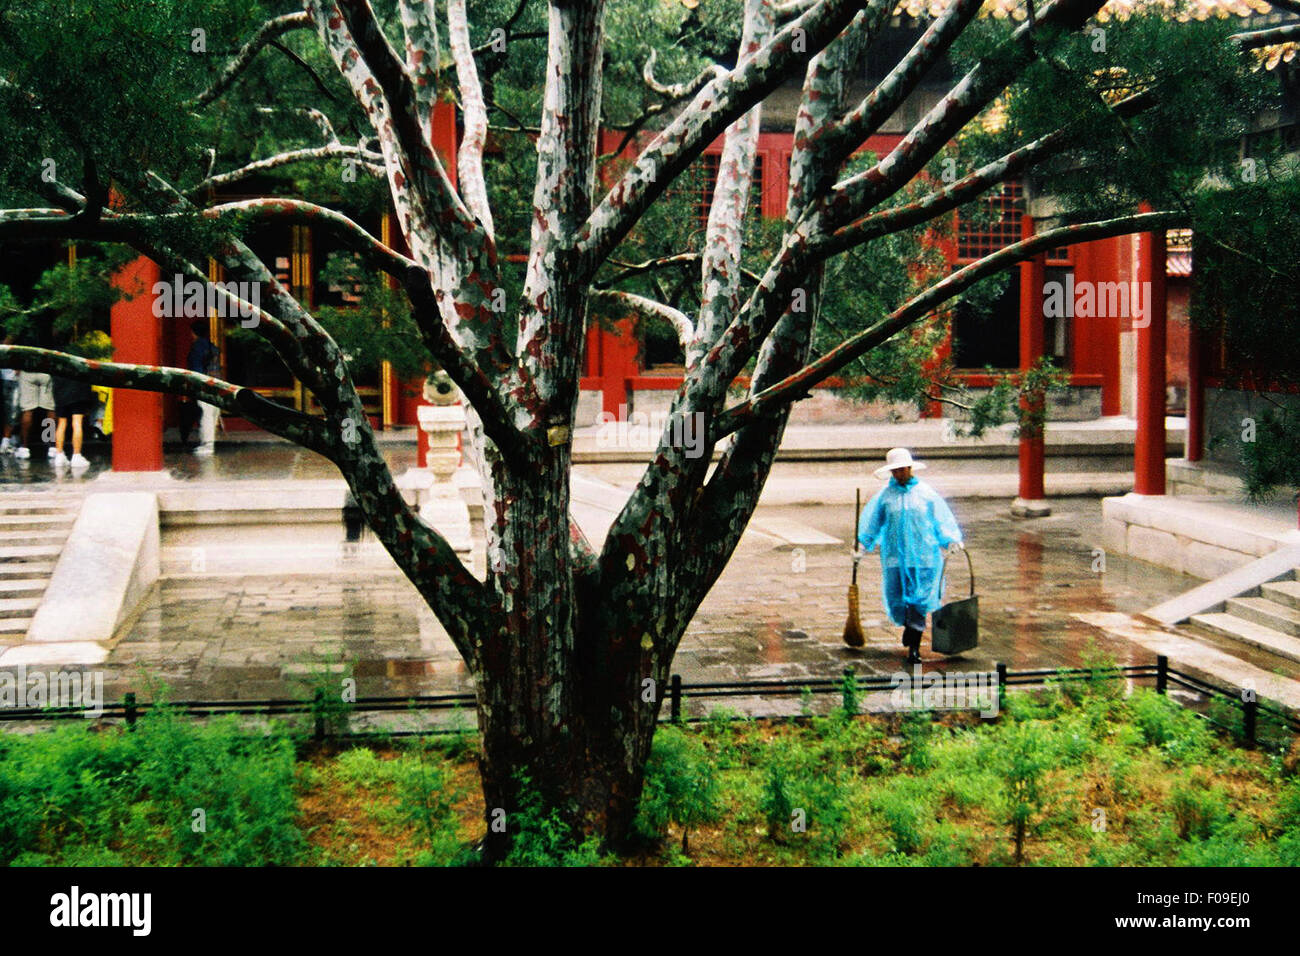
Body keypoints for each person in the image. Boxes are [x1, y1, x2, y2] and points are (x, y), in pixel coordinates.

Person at [857, 447, 964, 664]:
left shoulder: (926, 494)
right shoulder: (885, 497)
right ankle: (908, 627)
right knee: (897, 598)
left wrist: (951, 539)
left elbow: (940, 520)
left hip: (923, 557)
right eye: (894, 471)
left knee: (919, 601)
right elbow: (873, 523)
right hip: (895, 557)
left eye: (901, 469)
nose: (898, 474)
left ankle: (914, 646)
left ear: (910, 468)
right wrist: (862, 545)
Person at [182, 319, 220, 456]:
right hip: (216, 383)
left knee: (205, 415)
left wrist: (193, 384)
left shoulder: (197, 347)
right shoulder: (213, 347)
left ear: (193, 332)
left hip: (204, 384)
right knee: (213, 414)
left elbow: (196, 369)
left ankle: (207, 446)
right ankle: (210, 444)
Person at [50, 373, 96, 469]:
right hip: (78, 390)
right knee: (77, 422)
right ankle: (76, 455)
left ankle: (59, 455)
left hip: (60, 389)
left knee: (61, 423)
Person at [13, 369, 55, 461]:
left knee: (28, 410)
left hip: (27, 372)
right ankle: (52, 446)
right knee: (49, 409)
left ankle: (24, 447)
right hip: (45, 372)